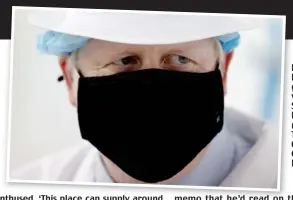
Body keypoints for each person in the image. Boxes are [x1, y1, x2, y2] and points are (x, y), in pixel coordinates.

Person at [10, 9, 279, 188]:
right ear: (70, 80)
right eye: (125, 60)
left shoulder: (278, 178)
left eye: (180, 59)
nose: (152, 85)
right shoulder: (27, 184)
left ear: (223, 72)